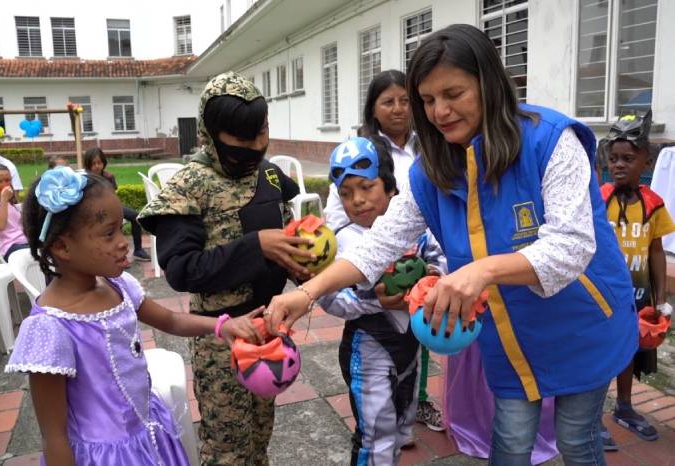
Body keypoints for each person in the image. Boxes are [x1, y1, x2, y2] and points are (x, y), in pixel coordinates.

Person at [265, 24, 637, 466]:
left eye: (453, 93)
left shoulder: (552, 142)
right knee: (511, 442)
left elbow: (571, 247)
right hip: (510, 329)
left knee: (576, 439)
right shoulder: (433, 170)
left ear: (489, 84)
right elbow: (377, 246)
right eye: (427, 99)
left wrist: (480, 271)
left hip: (580, 321)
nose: (439, 111)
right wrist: (306, 295)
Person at [4, 166, 263, 465]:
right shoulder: (50, 327)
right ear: (62, 246)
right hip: (106, 457)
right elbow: (54, 435)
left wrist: (223, 326)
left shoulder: (118, 286)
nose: (123, 242)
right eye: (108, 233)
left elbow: (171, 320)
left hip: (147, 434)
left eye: (121, 229)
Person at [137, 71, 313, 465]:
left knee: (260, 436)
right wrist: (257, 247)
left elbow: (286, 232)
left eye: (261, 133)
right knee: (228, 447)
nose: (255, 147)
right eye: (242, 140)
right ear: (210, 134)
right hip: (221, 340)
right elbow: (182, 271)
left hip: (269, 330)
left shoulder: (269, 175)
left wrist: (300, 263)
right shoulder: (188, 187)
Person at [325, 69, 445, 433]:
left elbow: (440, 259)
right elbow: (333, 299)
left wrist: (432, 282)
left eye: (367, 188)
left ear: (392, 190)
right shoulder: (347, 242)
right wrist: (380, 302)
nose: (357, 200)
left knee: (402, 421)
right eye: (347, 193)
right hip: (369, 341)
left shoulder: (419, 230)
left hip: (411, 340)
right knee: (374, 433)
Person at [599, 111, 674, 449]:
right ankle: (591, 415)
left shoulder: (653, 205)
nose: (619, 165)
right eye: (613, 158)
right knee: (599, 353)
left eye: (628, 158)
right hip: (602, 297)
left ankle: (625, 407)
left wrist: (660, 300)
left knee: (629, 351)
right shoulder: (599, 200)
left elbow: (656, 253)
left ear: (646, 161)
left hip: (638, 299)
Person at [83, 147, 151, 262]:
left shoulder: (109, 177)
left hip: (111, 208)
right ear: (88, 165)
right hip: (95, 211)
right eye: (93, 163)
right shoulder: (86, 179)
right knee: (112, 226)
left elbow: (113, 197)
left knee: (135, 216)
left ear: (103, 162)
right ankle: (115, 257)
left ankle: (138, 250)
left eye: (99, 162)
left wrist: (116, 212)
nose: (96, 166)